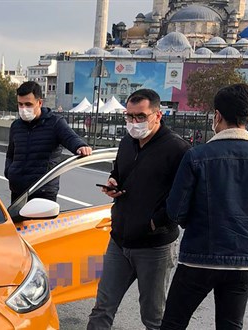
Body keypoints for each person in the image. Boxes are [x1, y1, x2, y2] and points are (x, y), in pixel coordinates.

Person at [161, 84, 248, 330]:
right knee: (231, 325)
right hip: (245, 260)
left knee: (173, 323)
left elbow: (175, 211)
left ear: (217, 116)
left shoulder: (197, 156)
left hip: (199, 258)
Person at [86, 89, 191, 330]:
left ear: (158, 115)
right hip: (119, 241)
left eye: (140, 116)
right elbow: (119, 173)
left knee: (153, 317)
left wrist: (156, 222)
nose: (134, 123)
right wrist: (113, 183)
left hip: (154, 247)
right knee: (102, 308)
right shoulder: (127, 143)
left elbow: (184, 198)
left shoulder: (178, 150)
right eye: (130, 116)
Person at [5, 81, 92, 203]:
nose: (24, 109)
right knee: (16, 222)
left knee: (41, 223)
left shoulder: (55, 122)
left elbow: (70, 137)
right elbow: (10, 154)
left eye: (28, 104)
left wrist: (81, 146)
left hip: (43, 191)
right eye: (20, 104)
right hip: (18, 191)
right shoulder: (16, 126)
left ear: (39, 103)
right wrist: (9, 172)